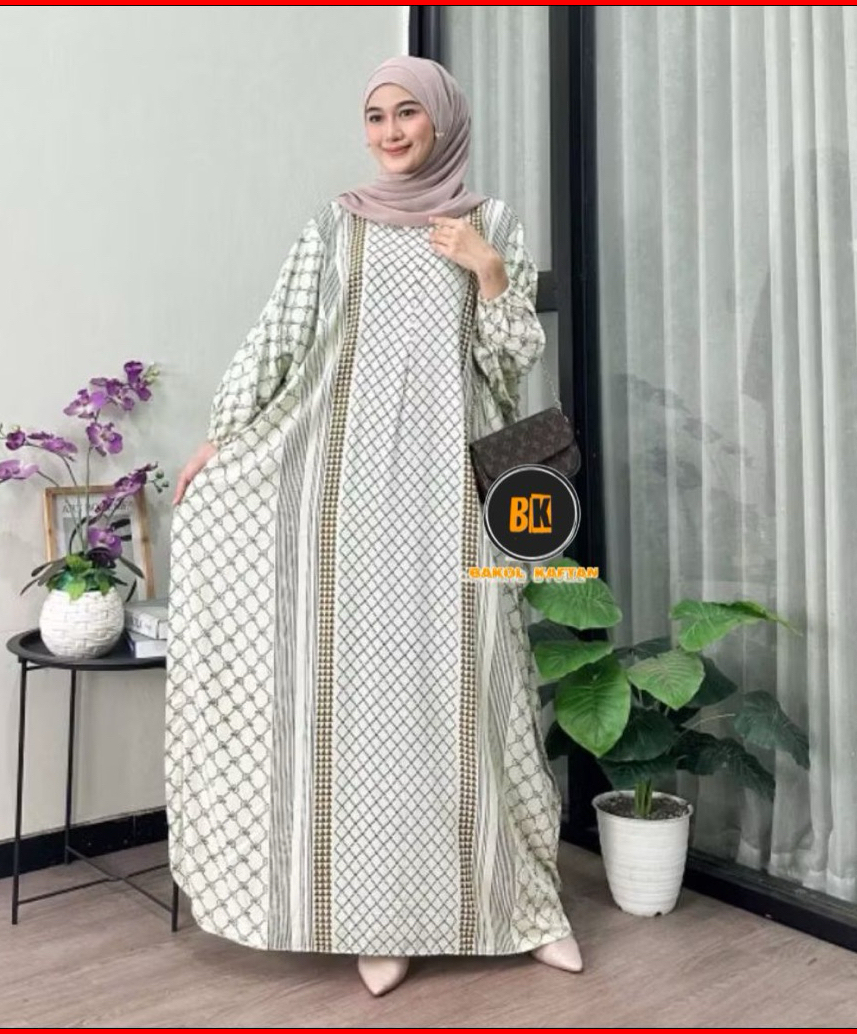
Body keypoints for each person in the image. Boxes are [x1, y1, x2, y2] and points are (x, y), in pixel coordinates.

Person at [165, 55, 583, 998]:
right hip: (344, 503)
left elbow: (511, 365)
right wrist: (223, 436)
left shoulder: (491, 223)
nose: (391, 133)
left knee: (478, 691)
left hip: (454, 500)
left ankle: (525, 907)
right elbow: (278, 337)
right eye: (376, 117)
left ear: (443, 122)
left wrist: (486, 271)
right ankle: (380, 919)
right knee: (364, 708)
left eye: (408, 115)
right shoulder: (336, 225)